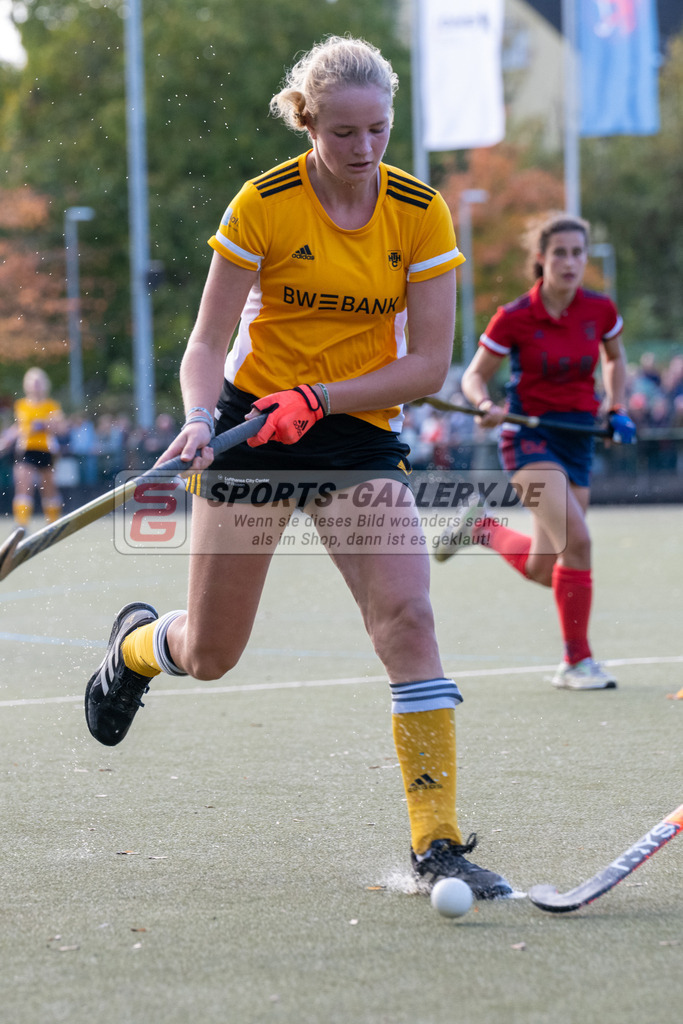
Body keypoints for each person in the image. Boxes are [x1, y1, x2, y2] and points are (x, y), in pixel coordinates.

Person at [82, 36, 512, 899]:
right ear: (308, 122)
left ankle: (438, 843)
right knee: (210, 652)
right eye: (343, 133)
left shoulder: (418, 210)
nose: (362, 152)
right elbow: (206, 342)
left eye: (378, 131)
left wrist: (321, 396)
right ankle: (133, 650)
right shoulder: (264, 203)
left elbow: (427, 365)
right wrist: (202, 418)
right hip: (253, 430)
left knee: (408, 617)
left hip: (351, 433)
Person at [434, 212, 636, 690]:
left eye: (578, 253)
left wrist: (618, 407)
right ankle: (576, 662)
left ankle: (481, 527)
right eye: (560, 253)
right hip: (529, 440)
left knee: (548, 569)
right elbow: (474, 375)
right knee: (580, 542)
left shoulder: (600, 311)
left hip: (581, 437)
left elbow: (615, 358)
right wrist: (484, 404)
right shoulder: (515, 316)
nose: (570, 262)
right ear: (541, 259)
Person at [4, 367, 66, 526]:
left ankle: (53, 523)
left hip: (46, 449)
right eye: (33, 383)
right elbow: (20, 427)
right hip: (27, 449)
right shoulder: (21, 405)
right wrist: (6, 440)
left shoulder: (52, 405)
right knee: (24, 484)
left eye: (38, 383)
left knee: (49, 488)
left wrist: (45, 425)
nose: (36, 386)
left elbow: (59, 428)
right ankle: (22, 525)